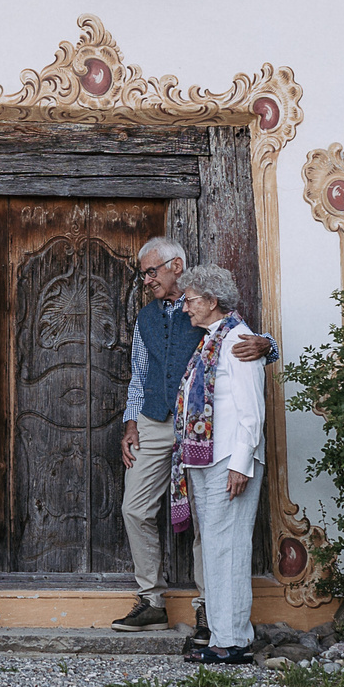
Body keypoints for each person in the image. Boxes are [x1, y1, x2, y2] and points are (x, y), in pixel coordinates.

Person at [113, 238, 272, 632]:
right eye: (143, 273)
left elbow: (242, 339)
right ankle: (151, 600)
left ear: (176, 265)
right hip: (153, 420)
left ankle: (208, 604)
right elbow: (139, 373)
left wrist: (268, 346)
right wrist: (131, 423)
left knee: (208, 515)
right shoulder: (146, 317)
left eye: (152, 271)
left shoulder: (203, 304)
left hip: (203, 426)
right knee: (134, 507)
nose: (146, 280)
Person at [172, 264, 264, 664]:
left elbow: (251, 410)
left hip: (230, 458)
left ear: (212, 302)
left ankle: (232, 641)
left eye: (190, 300)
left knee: (228, 547)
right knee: (214, 547)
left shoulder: (239, 340)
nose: (185, 308)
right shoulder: (212, 341)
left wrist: (242, 463)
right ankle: (224, 636)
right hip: (209, 459)